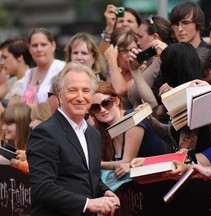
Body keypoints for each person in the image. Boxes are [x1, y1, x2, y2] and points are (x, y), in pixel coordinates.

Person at [26, 62, 120, 216]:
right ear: (60, 95)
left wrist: (106, 192)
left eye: (86, 90)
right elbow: (42, 187)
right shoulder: (45, 133)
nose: (80, 97)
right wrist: (87, 203)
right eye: (72, 90)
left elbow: (91, 179)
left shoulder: (93, 134)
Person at [89, 82, 165, 179]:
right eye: (95, 108)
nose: (103, 110)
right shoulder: (100, 131)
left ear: (116, 101)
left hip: (158, 179)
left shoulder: (133, 120)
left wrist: (97, 164)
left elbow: (127, 162)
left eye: (106, 103)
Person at [21, 28, 65, 106]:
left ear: (53, 46)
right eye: (34, 45)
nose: (39, 49)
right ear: (29, 48)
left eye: (43, 45)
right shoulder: (29, 73)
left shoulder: (62, 68)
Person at [104, 28, 138, 108]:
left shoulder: (143, 71)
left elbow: (120, 90)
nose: (130, 54)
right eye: (124, 51)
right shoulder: (113, 77)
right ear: (115, 53)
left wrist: (112, 61)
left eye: (133, 49)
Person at [0, 38, 32, 107]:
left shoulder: (26, 81)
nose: (2, 62)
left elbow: (9, 116)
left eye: (5, 58)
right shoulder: (13, 80)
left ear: (19, 56)